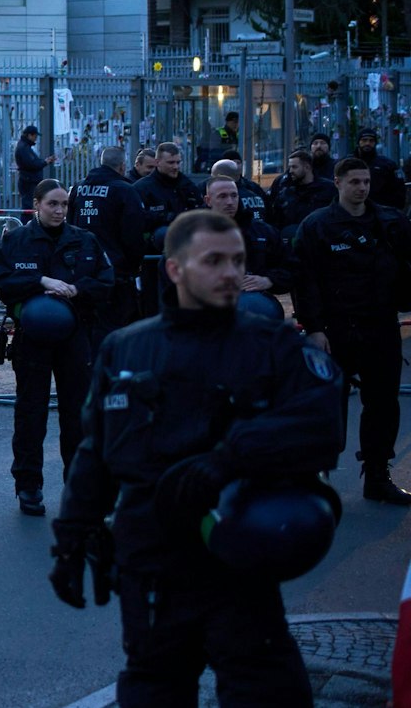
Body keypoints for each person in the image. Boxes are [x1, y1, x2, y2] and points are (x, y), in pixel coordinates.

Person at [51, 210, 344, 706]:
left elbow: (321, 424)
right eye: (214, 261)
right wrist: (72, 539)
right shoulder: (126, 349)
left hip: (238, 551)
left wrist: (231, 459)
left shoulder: (270, 344)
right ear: (175, 270)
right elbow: (96, 450)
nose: (231, 273)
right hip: (152, 559)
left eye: (237, 260)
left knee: (267, 689)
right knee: (153, 688)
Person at [0, 180, 113, 517]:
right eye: (52, 204)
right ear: (37, 204)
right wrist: (39, 282)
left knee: (77, 414)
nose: (59, 211)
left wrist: (76, 289)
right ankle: (28, 486)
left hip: (76, 337)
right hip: (32, 339)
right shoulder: (16, 242)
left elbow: (106, 281)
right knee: (31, 413)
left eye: (64, 205)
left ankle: (78, 485)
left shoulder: (84, 240)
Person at [293, 158, 411, 505]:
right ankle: (317, 479)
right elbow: (305, 279)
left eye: (366, 182)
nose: (362, 188)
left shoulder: (389, 221)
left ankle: (377, 475)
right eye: (355, 182)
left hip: (380, 325)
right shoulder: (317, 226)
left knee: (383, 404)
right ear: (338, 183)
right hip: (336, 328)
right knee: (329, 407)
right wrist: (314, 328)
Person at [72, 146, 147, 332]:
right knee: (117, 324)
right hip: (116, 270)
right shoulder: (125, 191)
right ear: (123, 166)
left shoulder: (78, 188)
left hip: (81, 268)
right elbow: (133, 234)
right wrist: (134, 263)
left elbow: (70, 224)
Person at [203, 177, 291, 318]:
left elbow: (290, 267)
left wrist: (268, 280)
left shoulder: (263, 232)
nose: (230, 202)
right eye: (223, 196)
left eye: (234, 195)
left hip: (256, 304)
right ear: (208, 200)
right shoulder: (193, 235)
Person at [131, 143, 202, 317]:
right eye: (171, 162)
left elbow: (201, 211)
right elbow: (137, 220)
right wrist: (166, 218)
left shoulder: (187, 185)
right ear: (157, 162)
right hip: (152, 256)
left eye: (178, 162)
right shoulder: (142, 188)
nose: (176, 166)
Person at [266, 149, 335, 238]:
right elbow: (276, 221)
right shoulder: (286, 193)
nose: (290, 171)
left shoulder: (328, 189)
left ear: (307, 167)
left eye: (294, 167)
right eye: (289, 167)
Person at [355, 129, 406, 210]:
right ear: (358, 142)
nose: (367, 143)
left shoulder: (387, 164)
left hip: (381, 211)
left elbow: (399, 190)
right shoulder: (348, 163)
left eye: (371, 141)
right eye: (364, 140)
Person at [14, 125, 57, 210]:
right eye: (35, 136)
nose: (36, 139)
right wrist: (45, 162)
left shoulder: (25, 147)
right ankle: (26, 223)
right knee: (29, 207)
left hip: (29, 180)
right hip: (28, 181)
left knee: (31, 205)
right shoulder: (24, 148)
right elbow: (32, 164)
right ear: (29, 135)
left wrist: (44, 162)